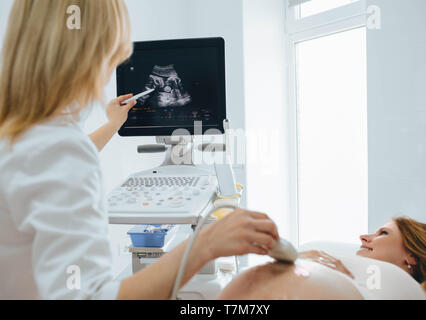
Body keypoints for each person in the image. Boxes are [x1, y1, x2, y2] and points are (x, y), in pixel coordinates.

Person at [0, 0, 279, 299]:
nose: (108, 73)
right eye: (111, 54)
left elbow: (48, 168)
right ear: (88, 52)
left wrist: (112, 124)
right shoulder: (60, 148)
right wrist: (205, 245)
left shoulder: (18, 135)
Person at [219, 217, 426, 300]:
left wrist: (348, 282)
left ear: (412, 256)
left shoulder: (416, 293)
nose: (364, 236)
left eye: (383, 233)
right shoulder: (370, 276)